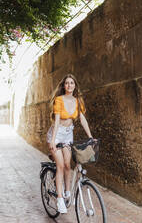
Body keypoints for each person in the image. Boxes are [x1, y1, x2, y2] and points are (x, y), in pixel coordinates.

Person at [46, 74, 93, 214]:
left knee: (68, 164)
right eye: (67, 83)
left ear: (75, 85)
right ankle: (60, 199)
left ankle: (67, 192)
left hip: (68, 134)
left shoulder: (78, 101)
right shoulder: (59, 100)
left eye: (72, 83)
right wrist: (53, 141)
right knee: (60, 165)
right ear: (64, 86)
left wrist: (90, 137)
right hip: (56, 133)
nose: (69, 85)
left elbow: (82, 119)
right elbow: (57, 120)